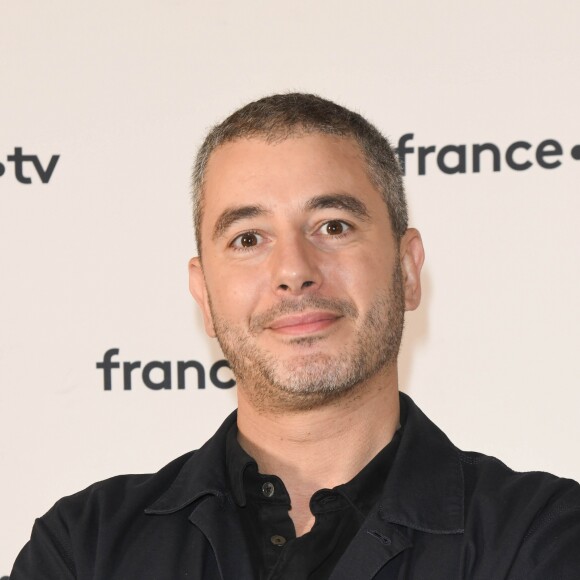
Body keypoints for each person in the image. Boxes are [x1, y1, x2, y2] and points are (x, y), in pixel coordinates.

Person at [11, 93, 580, 579]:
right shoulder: (87, 549)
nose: (294, 270)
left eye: (333, 226)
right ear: (204, 295)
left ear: (407, 269)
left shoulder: (542, 537)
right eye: (248, 238)